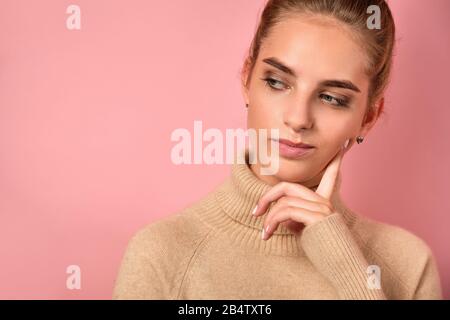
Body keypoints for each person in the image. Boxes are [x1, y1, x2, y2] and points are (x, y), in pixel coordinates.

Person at [112, 0, 443, 299]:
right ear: (247, 78)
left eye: (332, 98)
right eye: (277, 82)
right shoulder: (161, 253)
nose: (298, 119)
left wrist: (346, 267)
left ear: (368, 117)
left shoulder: (408, 265)